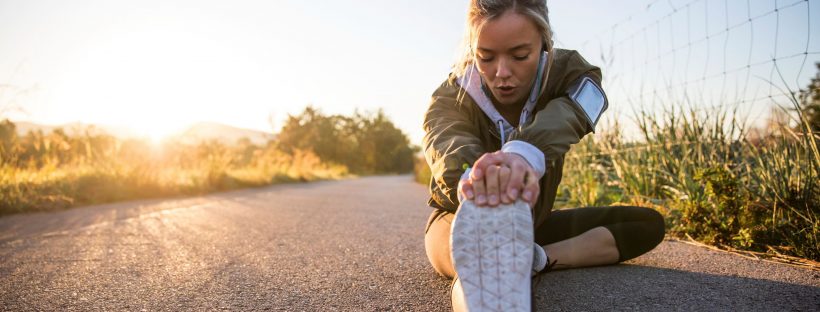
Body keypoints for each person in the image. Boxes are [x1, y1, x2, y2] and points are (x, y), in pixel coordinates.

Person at [421, 1, 666, 311]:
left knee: (647, 224)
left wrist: (524, 154)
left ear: (544, 43)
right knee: (482, 256)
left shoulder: (570, 73)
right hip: (460, 220)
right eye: (485, 57)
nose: (502, 73)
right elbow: (446, 142)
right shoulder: (449, 95)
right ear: (472, 49)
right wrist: (478, 179)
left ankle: (534, 258)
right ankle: (486, 280)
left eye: (520, 55)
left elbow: (578, 108)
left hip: (530, 222)